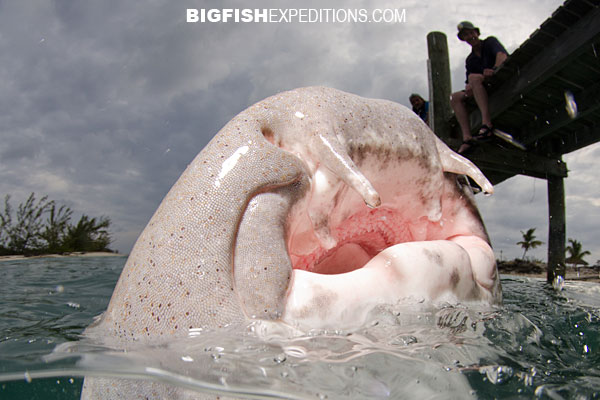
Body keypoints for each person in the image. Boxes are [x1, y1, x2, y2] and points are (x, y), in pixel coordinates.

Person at [450, 21, 508, 154]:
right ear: (464, 39)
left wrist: (494, 69)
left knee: (474, 78)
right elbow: (468, 80)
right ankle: (467, 138)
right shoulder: (470, 60)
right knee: (455, 97)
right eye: (466, 35)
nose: (470, 36)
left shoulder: (489, 42)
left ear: (477, 33)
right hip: (481, 85)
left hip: (499, 79)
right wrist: (469, 86)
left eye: (471, 33)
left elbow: (502, 56)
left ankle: (487, 124)